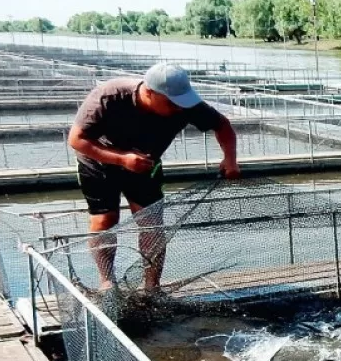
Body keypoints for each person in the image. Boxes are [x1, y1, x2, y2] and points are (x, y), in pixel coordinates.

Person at [68, 63, 240, 292]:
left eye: (182, 102)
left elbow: (222, 126)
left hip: (145, 164)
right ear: (149, 92)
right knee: (105, 220)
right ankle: (107, 281)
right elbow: (77, 139)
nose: (178, 108)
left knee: (152, 223)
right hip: (99, 161)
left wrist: (230, 159)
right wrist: (122, 159)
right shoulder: (109, 97)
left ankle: (152, 286)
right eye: (171, 103)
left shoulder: (186, 105)